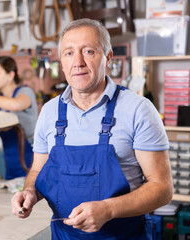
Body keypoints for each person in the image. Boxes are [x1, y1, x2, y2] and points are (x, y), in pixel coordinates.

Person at [11, 18, 173, 239]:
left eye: (88, 51)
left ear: (107, 58)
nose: (77, 62)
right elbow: (39, 171)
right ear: (61, 60)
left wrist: (108, 209)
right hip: (63, 235)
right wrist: (29, 192)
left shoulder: (139, 110)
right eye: (68, 53)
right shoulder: (49, 112)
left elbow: (162, 188)